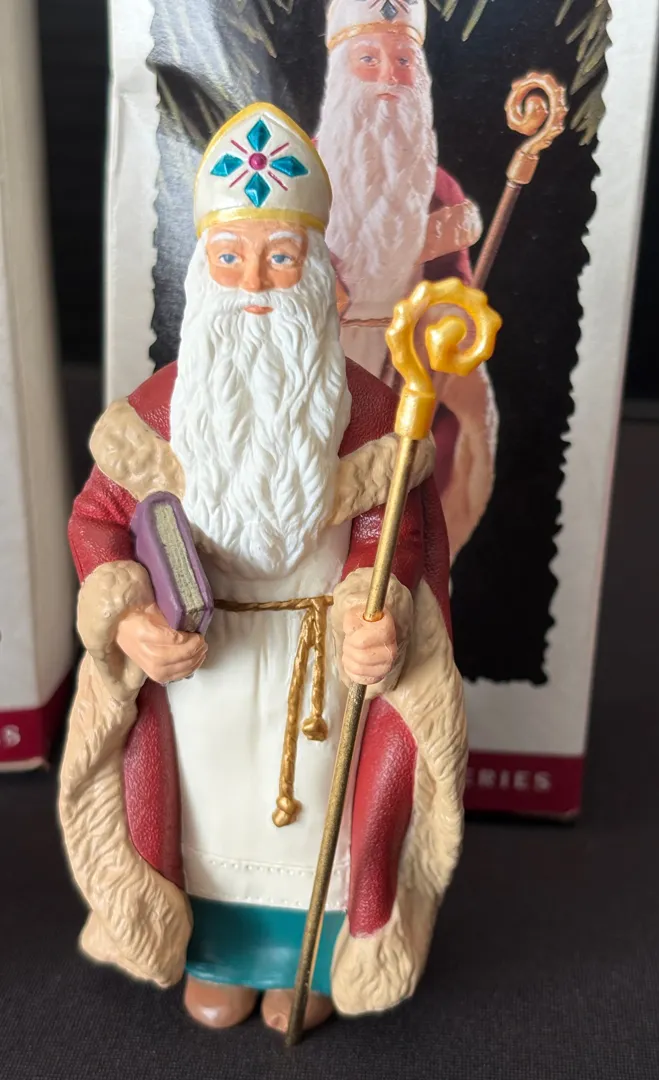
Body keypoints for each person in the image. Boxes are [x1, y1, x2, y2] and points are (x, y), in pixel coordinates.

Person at [59, 102, 466, 1035]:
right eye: (231, 258)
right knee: (204, 814)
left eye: (280, 258)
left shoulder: (370, 415)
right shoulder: (155, 414)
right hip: (199, 667)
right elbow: (99, 521)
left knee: (319, 811)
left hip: (320, 665)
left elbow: (394, 527)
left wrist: (376, 607)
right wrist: (129, 619)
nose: (253, 281)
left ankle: (307, 963)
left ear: (319, 275)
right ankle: (215, 956)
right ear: (201, 273)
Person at [316, 0, 499, 562]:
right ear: (343, 72)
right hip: (317, 365)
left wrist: (448, 324)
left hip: (406, 374)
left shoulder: (438, 190)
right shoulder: (300, 174)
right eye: (369, 59)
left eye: (403, 62)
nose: (389, 78)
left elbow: (458, 297)